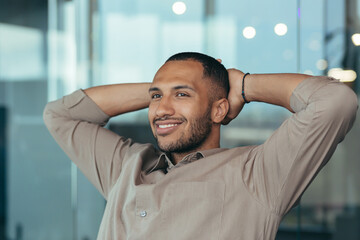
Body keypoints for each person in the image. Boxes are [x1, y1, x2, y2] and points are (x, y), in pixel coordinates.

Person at [43, 52, 358, 240]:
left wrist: (242, 84)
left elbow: (335, 102)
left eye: (182, 95)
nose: (162, 109)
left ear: (219, 109)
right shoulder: (127, 165)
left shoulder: (259, 175)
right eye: (156, 98)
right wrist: (164, 89)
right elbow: (61, 116)